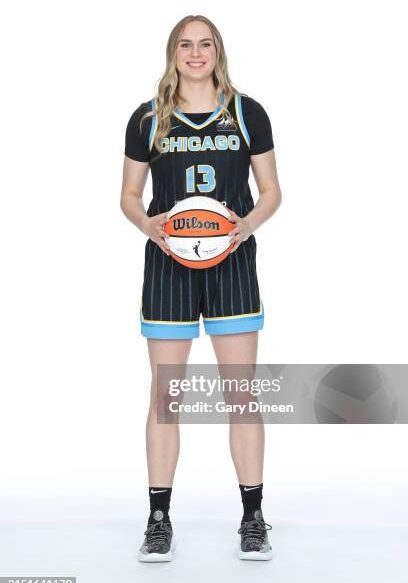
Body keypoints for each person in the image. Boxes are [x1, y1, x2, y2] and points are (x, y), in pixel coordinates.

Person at [120, 14, 282, 562]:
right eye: (185, 45)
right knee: (166, 398)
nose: (195, 54)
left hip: (232, 259)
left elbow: (271, 191)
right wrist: (151, 227)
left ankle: (253, 517)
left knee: (241, 394)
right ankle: (159, 518)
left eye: (205, 44)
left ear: (218, 51)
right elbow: (128, 197)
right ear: (173, 52)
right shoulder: (147, 118)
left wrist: (246, 226)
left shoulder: (246, 112)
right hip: (168, 263)